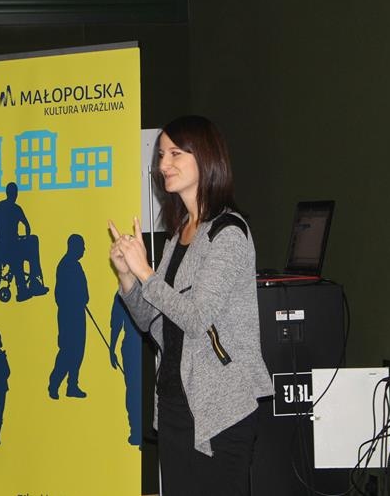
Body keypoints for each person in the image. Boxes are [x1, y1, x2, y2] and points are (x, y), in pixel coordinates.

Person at [108, 116, 273, 496]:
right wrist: (127, 277)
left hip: (220, 407)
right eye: (161, 154)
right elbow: (152, 321)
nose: (163, 163)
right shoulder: (180, 231)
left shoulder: (229, 233)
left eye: (175, 153)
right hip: (174, 402)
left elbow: (197, 318)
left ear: (206, 158)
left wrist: (145, 272)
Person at [0, 181, 49, 302]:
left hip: (8, 246)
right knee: (27, 246)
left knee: (32, 241)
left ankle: (32, 284)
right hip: (6, 248)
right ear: (15, 194)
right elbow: (27, 226)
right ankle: (27, 286)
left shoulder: (1, 207)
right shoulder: (14, 208)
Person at [48, 234, 89, 399]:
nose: (84, 249)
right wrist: (75, 301)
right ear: (74, 247)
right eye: (82, 246)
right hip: (68, 316)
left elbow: (83, 290)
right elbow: (60, 295)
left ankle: (72, 385)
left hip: (78, 314)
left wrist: (82, 299)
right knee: (67, 352)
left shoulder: (75, 265)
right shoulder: (65, 265)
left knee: (78, 351)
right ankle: (54, 383)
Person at [109, 292, 142, 446]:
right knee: (134, 391)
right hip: (132, 347)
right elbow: (116, 323)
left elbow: (116, 323)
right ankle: (136, 431)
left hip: (144, 347)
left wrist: (112, 349)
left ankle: (139, 432)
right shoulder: (121, 295)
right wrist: (112, 349)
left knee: (137, 391)